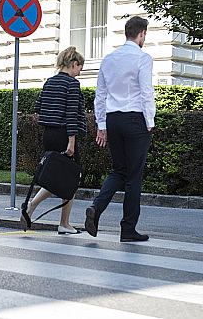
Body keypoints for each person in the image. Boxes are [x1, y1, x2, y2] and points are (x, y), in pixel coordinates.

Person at [84, 16, 155, 242]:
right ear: (141, 33)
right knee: (134, 176)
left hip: (113, 119)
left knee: (118, 170)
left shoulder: (109, 59)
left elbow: (100, 95)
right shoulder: (143, 59)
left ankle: (96, 207)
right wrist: (150, 121)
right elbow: (146, 92)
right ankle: (128, 229)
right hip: (135, 119)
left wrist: (101, 125)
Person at [24, 46, 86, 234]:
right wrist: (72, 141)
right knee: (70, 179)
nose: (79, 73)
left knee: (56, 177)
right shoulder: (72, 84)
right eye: (80, 69)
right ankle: (64, 223)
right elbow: (71, 115)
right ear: (74, 64)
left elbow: (38, 106)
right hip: (64, 135)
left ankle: (32, 206)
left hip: (48, 135)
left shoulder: (49, 82)